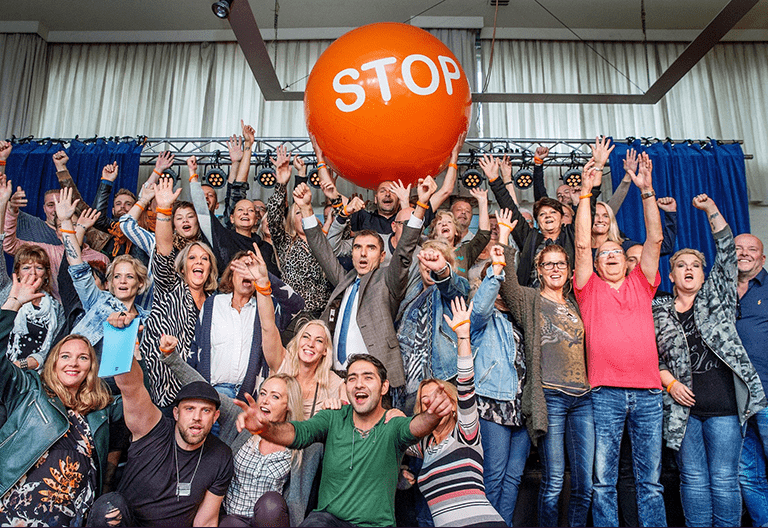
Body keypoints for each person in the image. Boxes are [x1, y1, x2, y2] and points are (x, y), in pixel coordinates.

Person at [235, 353, 453, 527]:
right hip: (328, 520)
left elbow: (417, 426)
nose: (358, 384)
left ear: (384, 387)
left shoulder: (392, 424)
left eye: (368, 377)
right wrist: (265, 428)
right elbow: (298, 433)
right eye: (352, 378)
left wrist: (433, 415)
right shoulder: (333, 418)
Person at [654, 194, 767, 527]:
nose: (689, 270)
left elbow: (728, 252)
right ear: (671, 275)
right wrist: (670, 383)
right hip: (682, 409)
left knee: (724, 479)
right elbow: (649, 356)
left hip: (724, 408)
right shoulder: (657, 311)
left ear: (705, 275)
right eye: (681, 266)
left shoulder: (717, 298)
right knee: (692, 479)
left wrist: (711, 211)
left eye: (695, 266)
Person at [573, 153, 666, 527]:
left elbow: (654, 239)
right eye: (604, 254)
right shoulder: (587, 288)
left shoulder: (642, 284)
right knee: (603, 482)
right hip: (605, 393)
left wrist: (647, 192)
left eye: (616, 252)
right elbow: (582, 245)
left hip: (648, 393)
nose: (610, 255)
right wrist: (585, 193)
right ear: (596, 264)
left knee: (651, 483)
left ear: (627, 261)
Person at [495, 211, 592, 526]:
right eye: (548, 264)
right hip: (550, 397)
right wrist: (504, 236)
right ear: (538, 269)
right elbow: (507, 282)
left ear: (569, 270)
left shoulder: (577, 303)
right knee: (553, 481)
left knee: (584, 483)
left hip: (584, 399)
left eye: (560, 264)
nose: (555, 269)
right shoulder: (529, 299)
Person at [0, 274, 121, 527]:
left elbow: (143, 398)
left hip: (71, 519)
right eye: (65, 356)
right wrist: (13, 303)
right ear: (54, 362)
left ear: (92, 366)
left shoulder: (102, 409)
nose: (73, 363)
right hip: (17, 513)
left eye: (83, 358)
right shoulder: (30, 389)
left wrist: (125, 340)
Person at [296, 175, 434, 393]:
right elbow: (322, 251)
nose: (362, 253)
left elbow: (404, 252)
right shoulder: (345, 280)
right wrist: (305, 209)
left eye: (371, 248)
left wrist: (421, 205)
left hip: (374, 378)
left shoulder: (388, 281)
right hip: (335, 377)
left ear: (381, 257)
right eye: (358, 247)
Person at [156, 333, 307, 527]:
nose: (265, 401)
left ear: (289, 405)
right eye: (263, 393)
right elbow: (206, 390)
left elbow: (296, 498)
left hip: (270, 520)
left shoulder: (298, 440)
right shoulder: (240, 420)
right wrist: (171, 357)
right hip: (234, 519)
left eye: (275, 397)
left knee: (271, 504)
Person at [88, 355, 234, 527]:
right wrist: (122, 336)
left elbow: (206, 521)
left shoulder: (221, 455)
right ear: (176, 413)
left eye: (206, 411)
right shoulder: (152, 429)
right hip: (128, 523)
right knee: (108, 507)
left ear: (215, 416)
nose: (197, 417)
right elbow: (130, 386)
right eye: (189, 409)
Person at [405, 297, 506, 527]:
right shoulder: (423, 446)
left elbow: (466, 385)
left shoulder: (465, 433)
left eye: (438, 396)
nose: (431, 404)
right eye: (424, 401)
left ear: (452, 405)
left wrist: (462, 336)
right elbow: (389, 433)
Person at [479, 138, 613, 287]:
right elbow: (510, 207)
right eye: (542, 214)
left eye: (553, 212)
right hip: (533, 299)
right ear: (538, 221)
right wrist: (494, 179)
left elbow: (590, 204)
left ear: (562, 218)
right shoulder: (529, 238)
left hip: (568, 299)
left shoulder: (572, 234)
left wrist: (599, 166)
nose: (548, 215)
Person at [138, 177, 219, 408]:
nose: (199, 261)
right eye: (192, 258)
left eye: (204, 259)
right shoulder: (171, 287)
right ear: (182, 267)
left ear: (210, 268)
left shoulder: (215, 303)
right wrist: (163, 210)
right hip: (168, 392)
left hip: (204, 389)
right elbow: (164, 250)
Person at [187, 244, 304, 402]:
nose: (247, 273)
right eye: (242, 267)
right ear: (231, 275)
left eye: (251, 268)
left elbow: (296, 304)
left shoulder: (267, 308)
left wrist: (263, 276)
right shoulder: (213, 304)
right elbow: (195, 350)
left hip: (251, 397)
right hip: (213, 394)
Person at [397, 240, 469, 412]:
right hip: (407, 382)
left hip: (439, 377)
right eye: (426, 260)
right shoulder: (411, 293)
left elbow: (455, 288)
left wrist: (441, 271)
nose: (430, 264)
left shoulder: (451, 291)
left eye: (436, 260)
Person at [265, 146, 333, 318]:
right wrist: (281, 185)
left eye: (305, 212)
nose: (302, 216)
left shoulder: (323, 243)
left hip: (320, 315)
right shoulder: (285, 242)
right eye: (297, 213)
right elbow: (273, 217)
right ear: (291, 221)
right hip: (291, 315)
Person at [734, 232, 768, 525]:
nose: (744, 253)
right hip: (733, 400)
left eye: (751, 249)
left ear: (762, 257)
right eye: (738, 248)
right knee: (747, 473)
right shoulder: (718, 290)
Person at [2, 244, 65, 371]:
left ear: (46, 274)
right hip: (3, 368)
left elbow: (54, 349)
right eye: (26, 267)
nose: (33, 272)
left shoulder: (57, 308)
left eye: (39, 268)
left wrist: (25, 364)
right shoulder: (6, 292)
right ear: (17, 273)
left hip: (33, 376)